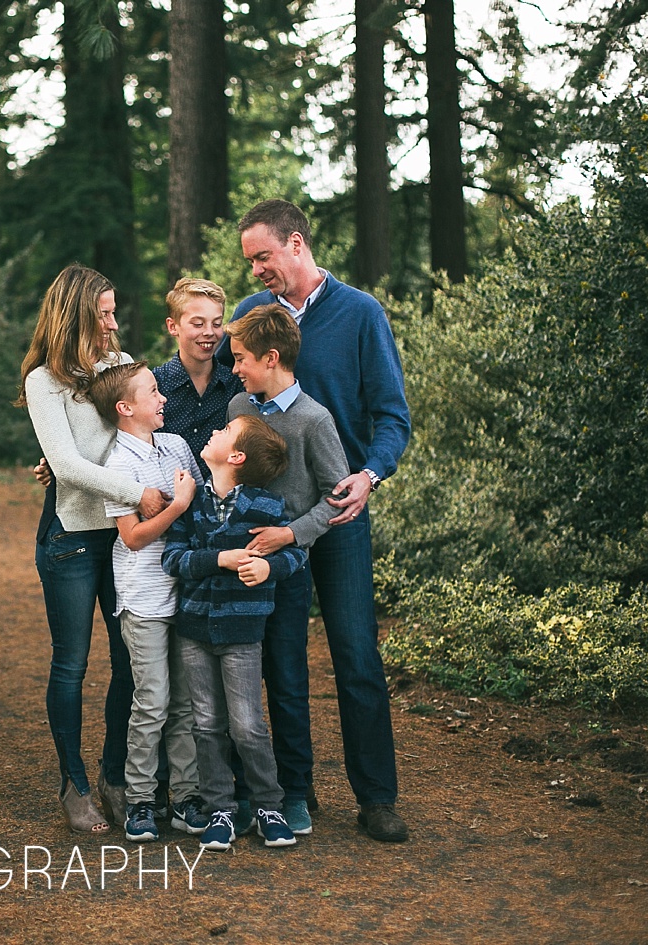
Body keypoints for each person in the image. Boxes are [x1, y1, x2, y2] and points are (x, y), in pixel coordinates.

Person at [226, 199, 412, 842]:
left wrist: (371, 474)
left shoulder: (360, 313)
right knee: (280, 661)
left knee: (357, 653)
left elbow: (393, 415)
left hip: (338, 516)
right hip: (266, 525)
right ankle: (292, 795)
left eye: (263, 256)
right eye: (249, 260)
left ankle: (377, 798)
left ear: (296, 244)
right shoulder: (252, 320)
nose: (255, 270)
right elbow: (215, 394)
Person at [19, 264, 167, 833]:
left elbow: (135, 429)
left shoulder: (117, 366)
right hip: (73, 541)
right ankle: (73, 783)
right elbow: (68, 465)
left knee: (130, 656)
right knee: (73, 664)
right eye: (102, 312)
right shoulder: (43, 381)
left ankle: (114, 775)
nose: (112, 322)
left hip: (126, 538)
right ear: (76, 313)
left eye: (112, 311)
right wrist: (139, 493)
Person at [223, 304, 350, 836]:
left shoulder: (315, 420)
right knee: (238, 683)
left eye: (242, 360)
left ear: (271, 358)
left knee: (289, 682)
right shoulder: (236, 406)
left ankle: (296, 791)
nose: (234, 370)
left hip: (288, 574)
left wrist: (290, 534)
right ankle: (249, 790)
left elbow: (338, 496)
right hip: (235, 573)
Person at [161, 415, 308, 852]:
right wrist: (219, 559)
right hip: (194, 629)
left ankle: (268, 805)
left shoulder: (266, 507)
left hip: (244, 630)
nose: (213, 432)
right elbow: (173, 559)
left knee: (247, 725)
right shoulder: (191, 503)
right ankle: (220, 808)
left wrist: (267, 566)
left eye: (224, 432)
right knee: (206, 723)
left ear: (236, 456)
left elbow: (294, 558)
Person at [91, 362, 200, 842]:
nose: (163, 399)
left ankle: (187, 797)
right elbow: (133, 537)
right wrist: (175, 506)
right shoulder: (119, 464)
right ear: (125, 408)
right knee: (152, 700)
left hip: (186, 594)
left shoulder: (175, 446)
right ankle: (140, 800)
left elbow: (200, 497)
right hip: (144, 599)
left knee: (185, 703)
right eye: (153, 392)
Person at [156, 278, 245, 476]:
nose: (209, 333)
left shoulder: (236, 385)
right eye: (198, 324)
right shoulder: (155, 386)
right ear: (172, 327)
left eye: (216, 324)